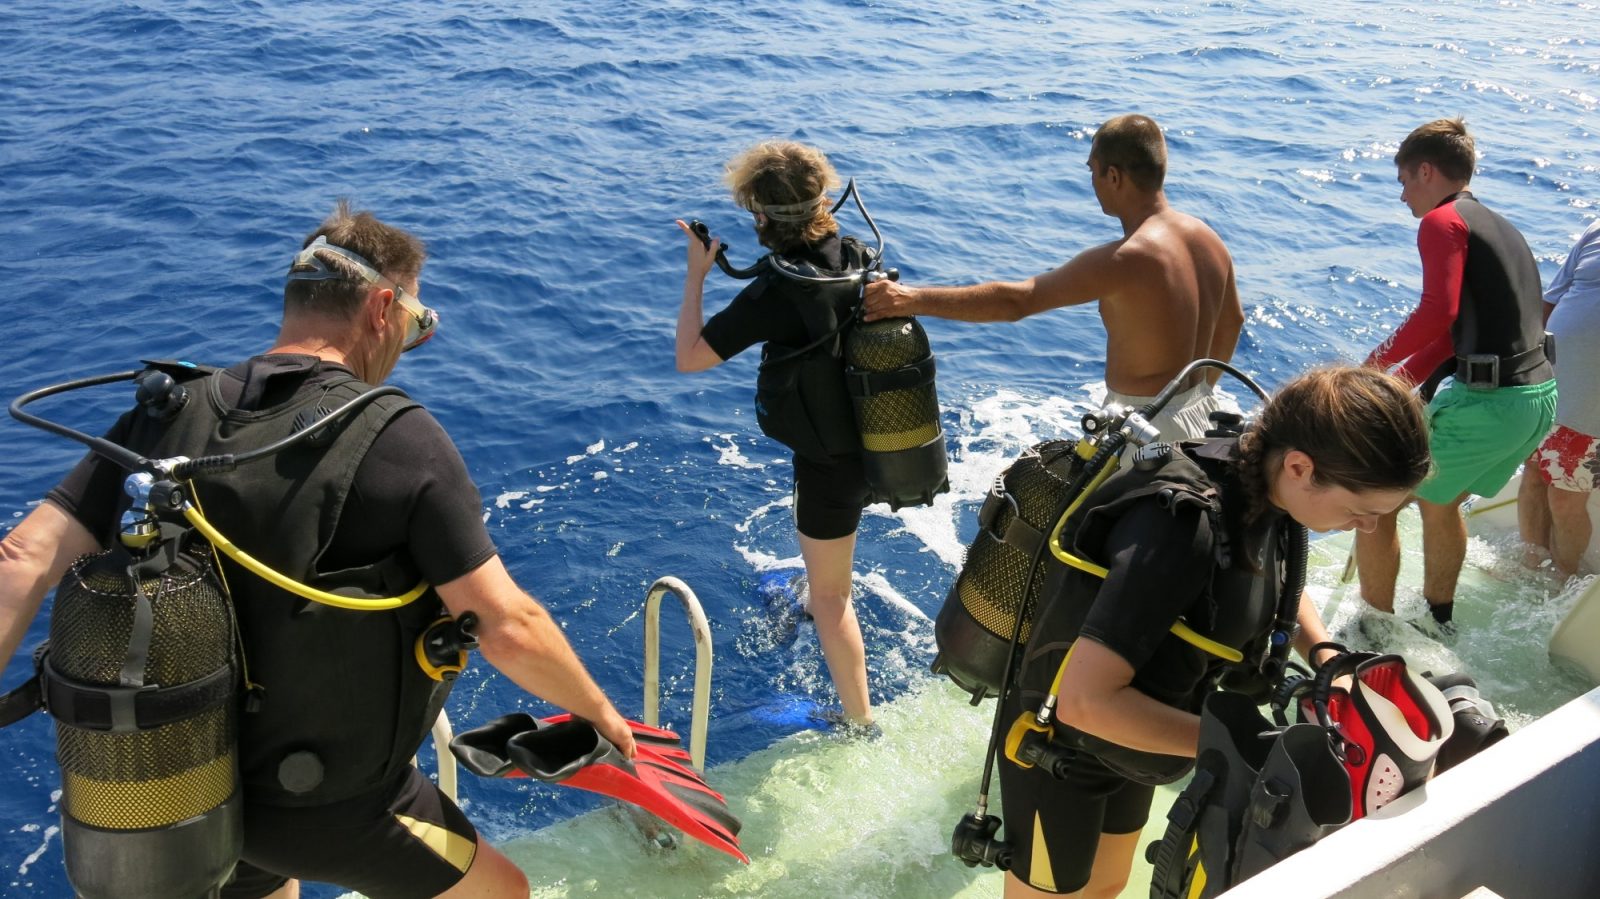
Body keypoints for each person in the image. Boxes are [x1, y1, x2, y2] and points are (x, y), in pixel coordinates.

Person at [0, 202, 636, 899]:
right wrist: (600, 715)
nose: (405, 347)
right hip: (336, 809)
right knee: (504, 891)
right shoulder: (398, 435)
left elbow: (24, 558)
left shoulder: (168, 409)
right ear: (383, 307)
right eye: (416, 327)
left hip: (180, 793)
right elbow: (505, 624)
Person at [997, 365, 1431, 898]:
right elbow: (1084, 703)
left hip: (1145, 733)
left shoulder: (1264, 486)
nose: (1367, 528)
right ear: (1300, 466)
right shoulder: (1180, 529)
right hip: (1063, 750)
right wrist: (1246, 746)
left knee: (1108, 885)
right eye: (1360, 511)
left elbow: (1277, 579)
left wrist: (1325, 654)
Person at [862, 113, 1244, 442]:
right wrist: (1202, 389)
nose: (1092, 181)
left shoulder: (1126, 258)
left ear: (1114, 176)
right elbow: (1232, 321)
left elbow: (1018, 301)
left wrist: (909, 299)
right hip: (1201, 411)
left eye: (1092, 170)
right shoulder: (1206, 238)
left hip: (1145, 428)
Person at [674, 141, 877, 728]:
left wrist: (696, 276)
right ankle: (813, 593)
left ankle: (858, 721)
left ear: (762, 216)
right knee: (825, 575)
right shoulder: (855, 254)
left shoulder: (779, 288)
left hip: (831, 463)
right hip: (872, 439)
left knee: (835, 600)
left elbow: (691, 357)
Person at [1357, 118, 1557, 629]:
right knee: (1439, 502)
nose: (1403, 196)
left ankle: (1373, 630)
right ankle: (1437, 621)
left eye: (1404, 180)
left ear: (1426, 171)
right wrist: (1399, 384)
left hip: (1489, 405)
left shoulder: (1442, 222)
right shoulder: (1499, 224)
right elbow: (1453, 336)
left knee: (1372, 504)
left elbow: (1435, 312)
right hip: (1533, 399)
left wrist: (1365, 369)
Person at [1518, 218, 1600, 579]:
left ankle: (1562, 578)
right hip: (1546, 386)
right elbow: (1550, 302)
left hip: (1591, 407)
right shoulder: (1596, 229)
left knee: (1566, 498)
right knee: (1533, 474)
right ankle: (1530, 566)